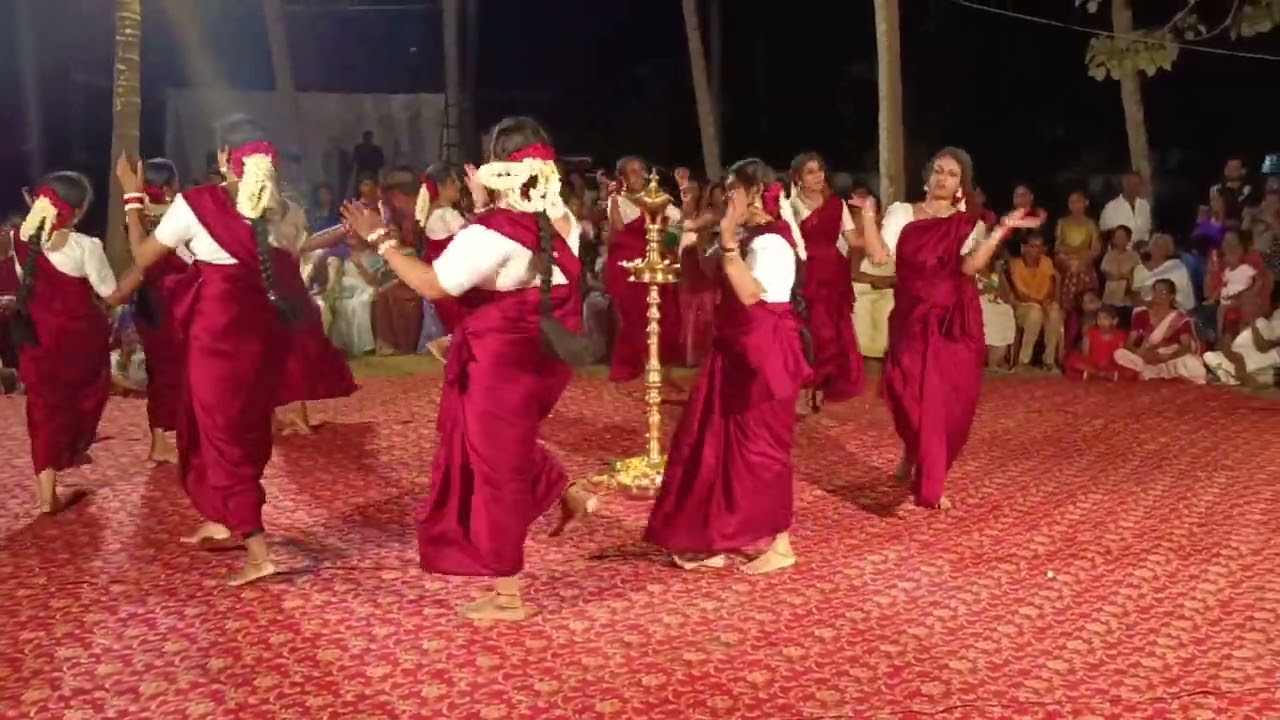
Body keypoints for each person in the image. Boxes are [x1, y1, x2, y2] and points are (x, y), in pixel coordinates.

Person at [340, 116, 598, 621]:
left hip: (500, 365)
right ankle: (568, 493)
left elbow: (433, 285)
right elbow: (517, 258)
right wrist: (485, 203)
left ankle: (508, 596)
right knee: (501, 447)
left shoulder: (491, 235)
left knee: (494, 469)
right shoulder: (559, 217)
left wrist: (380, 240)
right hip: (539, 359)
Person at [116, 114, 301, 585]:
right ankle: (222, 519)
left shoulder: (196, 204)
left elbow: (141, 258)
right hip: (258, 341)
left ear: (224, 157)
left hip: (217, 341)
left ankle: (257, 552)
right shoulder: (281, 215)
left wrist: (133, 198)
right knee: (222, 427)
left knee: (222, 439)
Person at [644, 160, 814, 574]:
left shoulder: (773, 243)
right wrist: (692, 232)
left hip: (765, 356)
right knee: (710, 446)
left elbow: (750, 294)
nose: (726, 197)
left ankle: (781, 542)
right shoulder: (744, 234)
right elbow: (704, 273)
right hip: (733, 351)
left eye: (733, 190)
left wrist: (725, 240)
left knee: (762, 449)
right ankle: (703, 535)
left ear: (756, 193)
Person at [860, 148, 1043, 510]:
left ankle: (931, 475)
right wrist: (867, 216)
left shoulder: (967, 223)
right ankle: (915, 451)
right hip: (911, 316)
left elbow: (969, 267)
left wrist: (1001, 229)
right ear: (928, 175)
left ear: (962, 183)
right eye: (939, 171)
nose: (943, 178)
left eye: (952, 174)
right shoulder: (903, 213)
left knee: (944, 400)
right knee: (903, 392)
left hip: (953, 320)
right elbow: (880, 256)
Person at [13, 173, 143, 512]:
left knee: (42, 411)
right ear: (80, 210)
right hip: (80, 343)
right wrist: (141, 268)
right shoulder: (86, 247)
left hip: (37, 340)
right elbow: (112, 296)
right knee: (85, 397)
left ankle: (46, 494)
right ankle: (72, 447)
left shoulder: (18, 240)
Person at [788, 152, 863, 411]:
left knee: (831, 332)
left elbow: (854, 241)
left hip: (834, 275)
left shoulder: (837, 205)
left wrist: (874, 227)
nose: (818, 175)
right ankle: (806, 387)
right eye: (810, 171)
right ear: (798, 177)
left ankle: (821, 388)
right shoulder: (790, 205)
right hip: (805, 274)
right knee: (810, 332)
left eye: (820, 170)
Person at [604, 156, 684, 383]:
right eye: (632, 171)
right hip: (626, 266)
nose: (639, 175)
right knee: (634, 314)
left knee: (662, 310)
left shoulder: (658, 198)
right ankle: (632, 364)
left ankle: (657, 363)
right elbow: (617, 230)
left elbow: (680, 220)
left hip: (653, 261)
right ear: (622, 178)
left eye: (641, 170)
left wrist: (668, 238)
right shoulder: (617, 201)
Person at [132, 158, 191, 463]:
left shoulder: (135, 215)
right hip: (174, 301)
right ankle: (173, 440)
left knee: (160, 371)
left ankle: (160, 441)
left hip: (149, 301)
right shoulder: (177, 216)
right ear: (169, 186)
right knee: (177, 371)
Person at [1114, 278, 1206, 383]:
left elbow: (1186, 346)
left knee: (1193, 366)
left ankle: (1155, 374)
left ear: (1171, 296)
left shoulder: (1179, 318)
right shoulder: (1141, 314)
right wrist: (1142, 353)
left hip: (1170, 358)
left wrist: (1168, 356)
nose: (1157, 295)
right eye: (1155, 291)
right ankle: (1159, 374)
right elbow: (1129, 343)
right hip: (1145, 358)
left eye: (1163, 292)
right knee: (1119, 354)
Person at [1009, 233, 1064, 371]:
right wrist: (1040, 303)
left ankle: (1049, 361)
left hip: (1043, 302)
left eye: (1039, 247)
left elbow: (1050, 287)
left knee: (1055, 312)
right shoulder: (1015, 264)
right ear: (1024, 248)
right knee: (1035, 313)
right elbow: (1021, 295)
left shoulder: (1046, 262)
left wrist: (1046, 302)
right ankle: (1023, 361)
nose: (1036, 251)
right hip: (1023, 306)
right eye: (1032, 246)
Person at [1063, 304, 1126, 380]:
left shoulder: (1120, 335)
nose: (1100, 320)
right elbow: (1085, 353)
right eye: (1099, 317)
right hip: (1092, 365)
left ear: (1115, 321)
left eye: (1105, 318)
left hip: (1110, 366)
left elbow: (1120, 355)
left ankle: (1095, 375)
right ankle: (1100, 375)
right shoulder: (1091, 332)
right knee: (1070, 360)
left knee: (1129, 370)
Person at [1099, 171, 1152, 248]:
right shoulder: (1110, 208)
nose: (1134, 188)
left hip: (1142, 253)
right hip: (1119, 254)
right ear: (1124, 184)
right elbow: (1105, 236)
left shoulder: (1145, 206)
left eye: (1137, 185)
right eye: (1131, 185)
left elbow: (1147, 231)